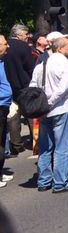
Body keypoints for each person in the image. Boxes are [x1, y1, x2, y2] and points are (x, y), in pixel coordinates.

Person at [29, 36, 68, 193]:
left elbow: (33, 87)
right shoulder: (66, 64)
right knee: (63, 147)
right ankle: (60, 183)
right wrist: (50, 102)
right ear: (60, 48)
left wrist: (42, 104)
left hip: (44, 111)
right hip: (62, 109)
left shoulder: (41, 65)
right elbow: (62, 90)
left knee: (45, 148)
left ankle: (43, 181)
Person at [4, 24, 34, 156]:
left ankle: (16, 144)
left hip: (8, 85)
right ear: (18, 35)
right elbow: (30, 66)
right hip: (24, 84)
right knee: (30, 114)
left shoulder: (4, 47)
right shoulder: (24, 47)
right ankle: (36, 139)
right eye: (25, 35)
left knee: (13, 116)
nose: (27, 37)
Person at [0, 35, 12, 186]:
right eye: (4, 44)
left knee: (2, 140)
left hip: (4, 106)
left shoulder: (2, 61)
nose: (8, 46)